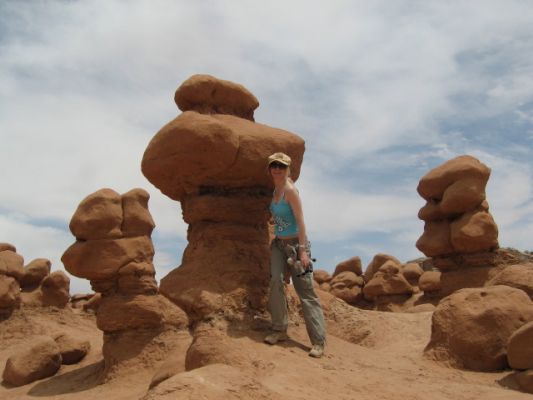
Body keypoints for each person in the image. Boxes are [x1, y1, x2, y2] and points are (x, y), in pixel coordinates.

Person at [264, 152, 326, 358]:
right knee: (275, 281)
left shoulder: (290, 191)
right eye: (274, 165)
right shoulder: (275, 190)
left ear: (288, 169)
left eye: (281, 166)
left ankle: (318, 342)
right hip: (279, 245)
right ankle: (279, 329)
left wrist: (302, 251)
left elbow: (301, 222)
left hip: (296, 246)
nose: (277, 169)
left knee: (305, 291)